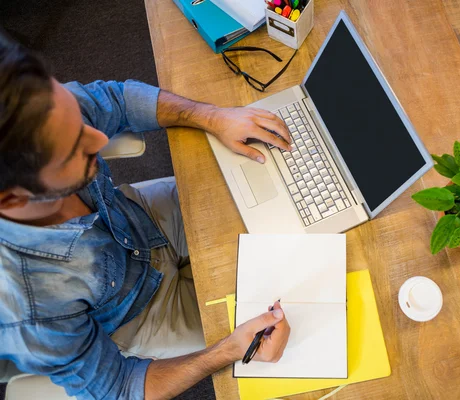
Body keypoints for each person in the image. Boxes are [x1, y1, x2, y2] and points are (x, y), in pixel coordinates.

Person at [0, 33, 292, 399]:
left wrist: (214, 116)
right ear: (11, 199)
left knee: (289, 210)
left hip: (140, 216)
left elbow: (117, 99)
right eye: (74, 148)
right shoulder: (29, 310)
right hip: (145, 313)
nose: (99, 139)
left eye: (78, 120)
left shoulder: (30, 108)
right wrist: (228, 350)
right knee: (296, 310)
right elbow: (120, 388)